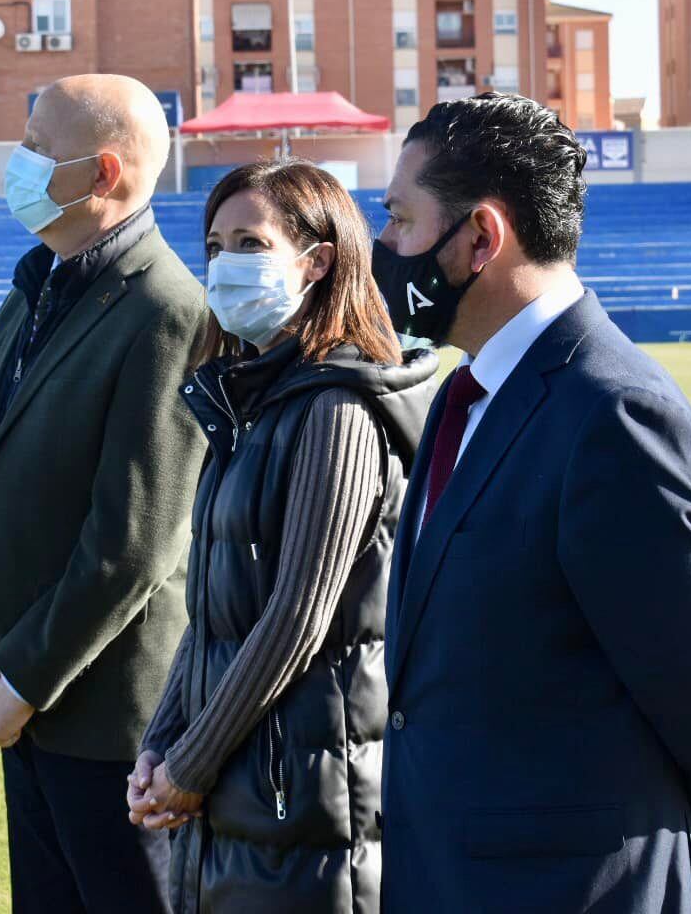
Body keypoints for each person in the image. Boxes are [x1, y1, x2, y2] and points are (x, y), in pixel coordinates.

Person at [371, 94, 691, 913]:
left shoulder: (613, 412)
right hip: (450, 874)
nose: (384, 247)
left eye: (400, 219)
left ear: (481, 238)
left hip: (574, 886)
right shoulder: (468, 390)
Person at [126, 160, 436, 912]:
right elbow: (214, 622)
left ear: (318, 260)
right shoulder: (251, 407)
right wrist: (161, 743)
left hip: (303, 799)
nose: (225, 263)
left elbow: (299, 616)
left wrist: (189, 766)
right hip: (245, 784)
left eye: (250, 242)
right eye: (214, 244)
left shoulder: (337, 407)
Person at [0, 75, 207, 913]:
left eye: (37, 149)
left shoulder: (167, 312)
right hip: (22, 702)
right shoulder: (36, 285)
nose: (16, 163)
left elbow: (132, 544)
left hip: (103, 725)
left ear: (103, 173)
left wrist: (15, 683)